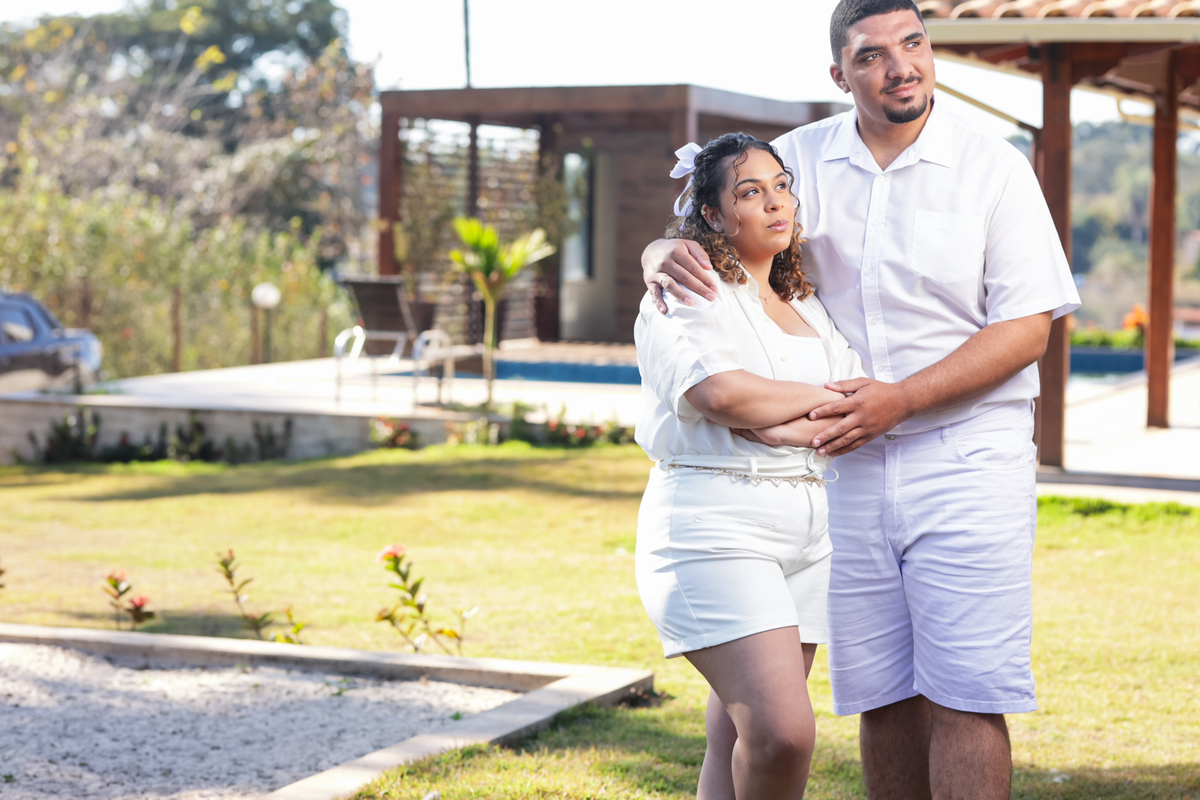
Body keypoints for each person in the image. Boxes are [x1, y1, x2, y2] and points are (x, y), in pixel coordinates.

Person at [640, 1, 1082, 798]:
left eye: (913, 44)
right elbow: (716, 220)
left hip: (967, 459)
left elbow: (1025, 329)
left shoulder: (993, 168)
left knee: (969, 690)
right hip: (842, 469)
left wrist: (901, 400)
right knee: (882, 692)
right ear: (839, 74)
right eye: (872, 54)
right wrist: (657, 251)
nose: (899, 66)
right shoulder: (800, 160)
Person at [635, 132, 867, 799]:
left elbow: (852, 406)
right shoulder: (688, 289)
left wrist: (779, 419)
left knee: (735, 737)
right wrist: (781, 407)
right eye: (750, 192)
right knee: (781, 735)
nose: (775, 203)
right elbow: (718, 394)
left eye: (781, 186)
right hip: (715, 526)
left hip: (810, 537)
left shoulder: (808, 306)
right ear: (713, 215)